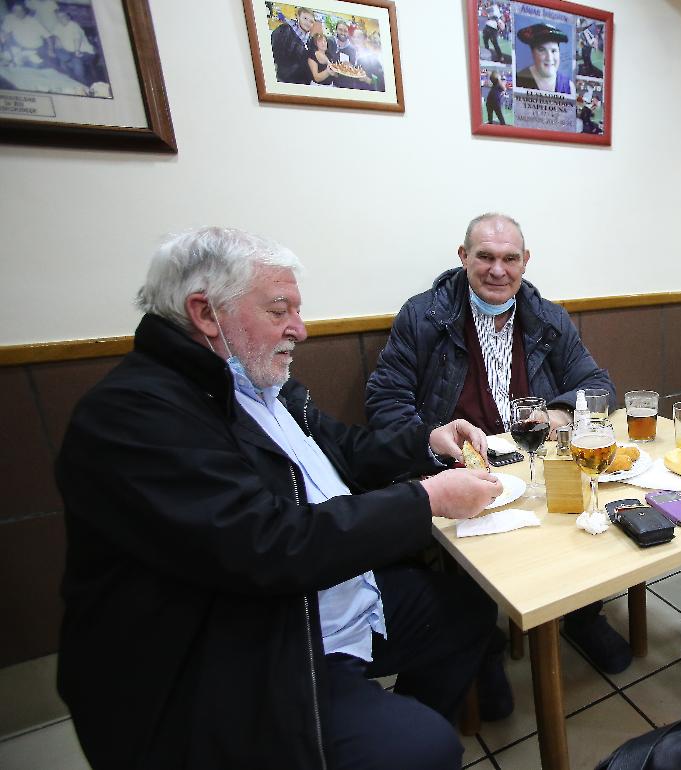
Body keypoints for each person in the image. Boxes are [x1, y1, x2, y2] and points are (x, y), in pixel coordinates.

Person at [57, 227, 512, 769]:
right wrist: (426, 500)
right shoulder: (135, 415)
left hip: (330, 601)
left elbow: (347, 447)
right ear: (206, 314)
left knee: (469, 608)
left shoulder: (261, 387)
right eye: (280, 310)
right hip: (243, 652)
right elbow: (267, 541)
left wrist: (428, 442)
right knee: (425, 748)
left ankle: (376, 718)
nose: (300, 328)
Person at [366, 213, 632, 673]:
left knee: (585, 507)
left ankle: (582, 614)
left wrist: (559, 412)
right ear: (463, 257)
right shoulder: (423, 315)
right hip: (457, 464)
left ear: (525, 262)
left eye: (510, 258)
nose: (497, 270)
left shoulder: (548, 317)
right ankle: (480, 641)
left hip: (535, 455)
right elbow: (385, 403)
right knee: (470, 550)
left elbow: (599, 385)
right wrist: (431, 439)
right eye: (485, 257)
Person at [515, 22, 572, 94]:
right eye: (542, 50)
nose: (549, 58)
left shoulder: (568, 86)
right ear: (533, 53)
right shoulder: (519, 81)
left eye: (553, 51)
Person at [271, 6, 314, 85]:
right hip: (284, 80)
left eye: (311, 21)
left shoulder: (309, 40)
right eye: (305, 18)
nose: (308, 23)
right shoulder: (285, 30)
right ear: (297, 17)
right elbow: (275, 54)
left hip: (302, 83)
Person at [49, 8, 93, 85]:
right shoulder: (58, 26)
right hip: (69, 51)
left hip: (84, 51)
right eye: (58, 17)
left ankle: (82, 83)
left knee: (75, 61)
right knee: (61, 59)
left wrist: (76, 51)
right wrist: (56, 40)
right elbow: (54, 35)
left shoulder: (74, 26)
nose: (60, 19)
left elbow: (77, 38)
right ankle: (70, 80)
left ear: (68, 17)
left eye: (62, 16)